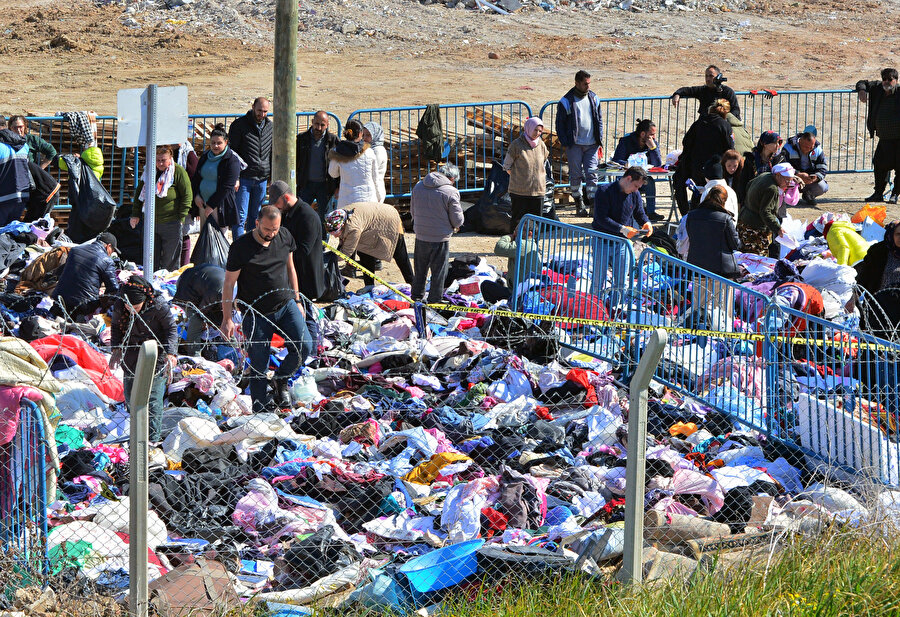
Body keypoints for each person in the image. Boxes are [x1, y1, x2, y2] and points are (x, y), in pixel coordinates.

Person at [222, 206, 313, 412]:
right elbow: (228, 283)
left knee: (304, 346)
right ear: (257, 223)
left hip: (285, 304)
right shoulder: (241, 247)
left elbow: (290, 268)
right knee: (259, 364)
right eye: (267, 229)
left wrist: (297, 300)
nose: (271, 234)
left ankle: (281, 379)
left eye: (275, 229)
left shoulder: (284, 236)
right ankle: (260, 409)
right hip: (256, 313)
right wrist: (227, 318)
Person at [110, 275, 178, 443]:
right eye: (128, 306)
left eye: (135, 306)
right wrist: (116, 348)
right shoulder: (120, 305)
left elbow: (170, 329)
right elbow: (116, 327)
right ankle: (136, 438)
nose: (131, 310)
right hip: (131, 355)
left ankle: (152, 440)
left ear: (145, 300)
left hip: (155, 355)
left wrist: (170, 353)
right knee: (131, 397)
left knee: (152, 399)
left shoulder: (158, 305)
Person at [591, 166, 652, 299]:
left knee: (621, 282)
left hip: (622, 243)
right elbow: (601, 218)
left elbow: (639, 212)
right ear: (628, 178)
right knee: (597, 281)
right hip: (602, 241)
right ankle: (594, 308)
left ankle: (616, 307)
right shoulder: (604, 191)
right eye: (636, 186)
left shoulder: (635, 194)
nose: (636, 189)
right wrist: (622, 229)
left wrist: (646, 222)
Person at [131, 145, 193, 272]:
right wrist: (135, 214)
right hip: (151, 222)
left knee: (170, 261)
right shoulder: (149, 171)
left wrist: (181, 217)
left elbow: (187, 195)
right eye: (157, 160)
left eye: (163, 160)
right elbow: (139, 195)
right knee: (150, 259)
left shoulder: (178, 172)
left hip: (172, 222)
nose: (160, 163)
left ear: (170, 158)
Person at [410, 163, 464, 303]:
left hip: (421, 234)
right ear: (452, 179)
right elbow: (457, 219)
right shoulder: (451, 191)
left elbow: (412, 211)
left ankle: (416, 297)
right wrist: (456, 226)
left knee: (420, 269)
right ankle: (434, 301)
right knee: (439, 271)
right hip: (440, 237)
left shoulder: (418, 186)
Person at [325, 204, 414, 288]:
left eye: (336, 233)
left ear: (343, 225)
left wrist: (327, 259)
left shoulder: (353, 228)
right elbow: (343, 244)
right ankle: (369, 286)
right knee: (364, 252)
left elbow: (346, 252)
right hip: (370, 224)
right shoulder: (339, 216)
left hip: (390, 220)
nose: (335, 236)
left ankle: (413, 285)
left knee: (400, 256)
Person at [555, 70, 603, 217]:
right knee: (575, 175)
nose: (588, 86)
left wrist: (599, 138)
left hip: (592, 144)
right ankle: (579, 204)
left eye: (589, 83)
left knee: (592, 174)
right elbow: (560, 124)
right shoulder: (566, 101)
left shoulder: (594, 98)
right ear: (577, 83)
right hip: (574, 145)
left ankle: (593, 204)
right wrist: (566, 142)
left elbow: (599, 120)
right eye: (585, 84)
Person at [268, 180, 324, 302]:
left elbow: (303, 251)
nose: (276, 207)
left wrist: (278, 256)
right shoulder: (286, 213)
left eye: (277, 203)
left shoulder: (308, 216)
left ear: (286, 198)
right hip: (293, 276)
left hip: (307, 281)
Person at [676, 99, 735, 213]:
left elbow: (686, 141)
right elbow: (730, 148)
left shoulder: (698, 123)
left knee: (698, 192)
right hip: (716, 168)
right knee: (716, 194)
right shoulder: (725, 125)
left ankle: (692, 216)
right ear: (725, 113)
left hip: (696, 166)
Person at [228, 97, 273, 238]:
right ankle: (239, 247)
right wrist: (236, 177)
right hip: (244, 178)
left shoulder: (270, 127)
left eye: (265, 111)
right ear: (253, 107)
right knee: (240, 216)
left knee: (256, 216)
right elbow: (233, 153)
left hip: (262, 179)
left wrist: (271, 175)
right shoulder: (239, 125)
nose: (262, 114)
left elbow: (272, 152)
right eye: (259, 110)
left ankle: (252, 245)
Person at [51, 232, 120, 320]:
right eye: (112, 250)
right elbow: (113, 288)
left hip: (60, 298)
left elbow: (63, 272)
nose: (111, 253)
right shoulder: (107, 261)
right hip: (84, 306)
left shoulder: (75, 250)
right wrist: (104, 304)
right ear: (108, 246)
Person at [738, 162, 801, 258]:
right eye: (787, 180)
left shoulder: (765, 176)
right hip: (754, 227)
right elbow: (765, 212)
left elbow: (749, 185)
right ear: (778, 175)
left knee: (746, 254)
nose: (788, 183)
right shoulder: (772, 189)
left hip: (744, 219)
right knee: (756, 257)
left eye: (790, 180)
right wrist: (778, 228)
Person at [856, 68, 900, 203]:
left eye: (890, 79)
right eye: (884, 79)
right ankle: (878, 193)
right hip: (884, 138)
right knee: (879, 165)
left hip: (898, 139)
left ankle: (895, 194)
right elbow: (862, 82)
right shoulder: (877, 88)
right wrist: (862, 91)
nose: (886, 82)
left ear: (896, 80)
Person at [296, 111, 339, 237]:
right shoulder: (302, 139)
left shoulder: (333, 141)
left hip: (325, 186)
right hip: (306, 185)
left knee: (324, 218)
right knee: (300, 214)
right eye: (316, 124)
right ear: (312, 122)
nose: (319, 128)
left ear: (327, 125)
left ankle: (323, 244)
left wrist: (338, 186)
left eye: (322, 125)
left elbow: (339, 166)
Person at [191, 124, 241, 232]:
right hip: (202, 203)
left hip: (220, 206)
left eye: (219, 143)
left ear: (226, 142)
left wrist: (211, 205)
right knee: (205, 236)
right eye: (213, 143)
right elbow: (196, 178)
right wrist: (197, 195)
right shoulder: (205, 157)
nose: (216, 146)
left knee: (220, 237)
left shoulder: (232, 160)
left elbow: (227, 187)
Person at [612, 118, 664, 221]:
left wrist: (653, 149)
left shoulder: (653, 143)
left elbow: (657, 164)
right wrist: (627, 164)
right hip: (626, 177)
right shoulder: (626, 141)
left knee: (650, 182)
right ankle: (623, 212)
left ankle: (651, 212)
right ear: (643, 134)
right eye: (651, 134)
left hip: (642, 178)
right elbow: (616, 160)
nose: (654, 137)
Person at [503, 117, 550, 230]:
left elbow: (544, 162)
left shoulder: (541, 145)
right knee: (517, 221)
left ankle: (533, 240)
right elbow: (507, 165)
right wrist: (519, 178)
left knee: (536, 223)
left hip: (538, 191)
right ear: (529, 128)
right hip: (519, 191)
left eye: (540, 131)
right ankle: (516, 240)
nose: (537, 133)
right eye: (535, 130)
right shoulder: (516, 145)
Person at [686, 185, 741, 278]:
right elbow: (735, 244)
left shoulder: (691, 215)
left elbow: (691, 237)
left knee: (699, 288)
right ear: (724, 200)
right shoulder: (725, 218)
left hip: (696, 266)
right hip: (722, 269)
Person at [173, 263, 226, 356]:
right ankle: (194, 355)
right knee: (196, 321)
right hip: (187, 287)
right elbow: (202, 310)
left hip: (202, 283)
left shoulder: (231, 292)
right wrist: (207, 323)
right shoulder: (219, 293)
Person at [328, 119, 379, 209]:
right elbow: (375, 177)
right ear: (360, 133)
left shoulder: (337, 152)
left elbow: (333, 173)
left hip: (347, 201)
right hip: (368, 200)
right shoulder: (369, 152)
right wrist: (379, 197)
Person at [671, 64, 741, 119]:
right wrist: (677, 94)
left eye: (711, 76)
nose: (708, 79)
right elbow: (686, 90)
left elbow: (736, 110)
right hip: (706, 124)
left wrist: (725, 120)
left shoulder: (727, 91)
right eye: (706, 76)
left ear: (718, 77)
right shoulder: (702, 90)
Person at [781, 125, 828, 205]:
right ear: (800, 141)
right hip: (792, 179)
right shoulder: (788, 147)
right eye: (806, 147)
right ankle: (787, 199)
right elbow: (783, 166)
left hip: (809, 180)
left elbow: (822, 167)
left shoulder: (817, 149)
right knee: (782, 183)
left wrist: (815, 178)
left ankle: (808, 196)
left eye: (811, 147)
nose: (808, 149)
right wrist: (797, 174)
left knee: (822, 187)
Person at [363, 121, 388, 203]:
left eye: (368, 135)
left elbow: (371, 170)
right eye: (363, 135)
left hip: (376, 191)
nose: (364, 138)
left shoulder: (378, 150)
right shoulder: (368, 148)